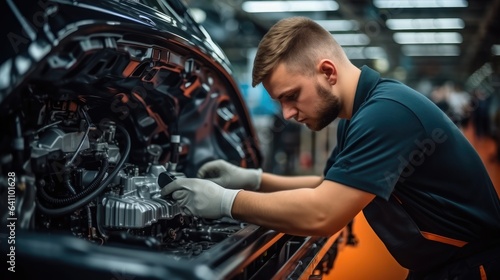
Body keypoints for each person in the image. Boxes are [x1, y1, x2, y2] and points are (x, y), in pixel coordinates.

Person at [161, 17, 500, 279]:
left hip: (472, 268)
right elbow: (328, 187)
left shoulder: (387, 113)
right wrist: (252, 179)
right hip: (442, 265)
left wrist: (225, 202)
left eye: (291, 96)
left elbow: (321, 212)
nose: (288, 114)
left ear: (327, 72)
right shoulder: (360, 113)